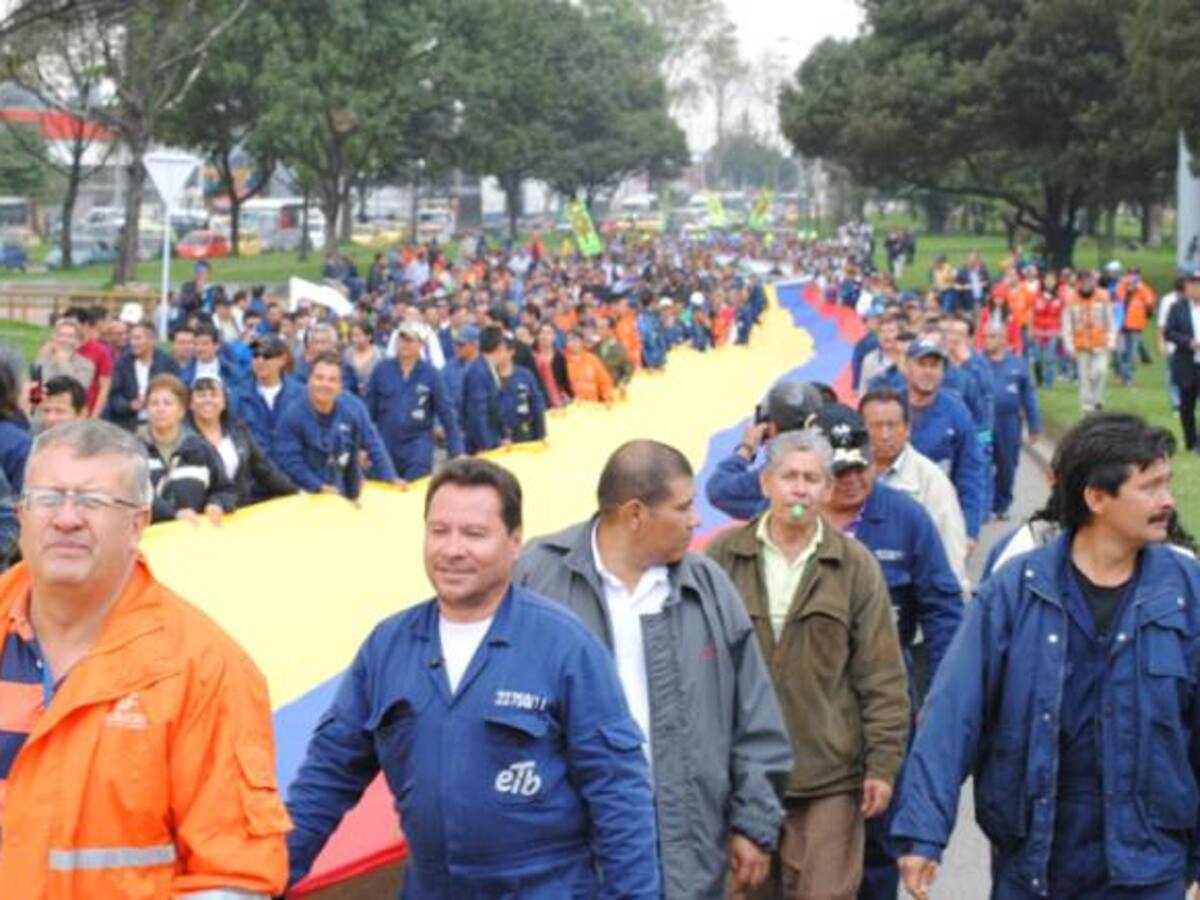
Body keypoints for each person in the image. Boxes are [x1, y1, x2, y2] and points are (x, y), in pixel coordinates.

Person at [285, 458, 662, 898]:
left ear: (515, 542)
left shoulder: (565, 647)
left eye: (475, 534)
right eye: (439, 531)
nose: (452, 549)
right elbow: (325, 779)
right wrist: (260, 881)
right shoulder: (387, 648)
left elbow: (619, 794)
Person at [892, 413, 1199, 900]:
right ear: (1096, 498)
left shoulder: (1186, 592)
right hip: (1035, 861)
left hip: (1151, 863)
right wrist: (923, 834)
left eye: (1167, 483)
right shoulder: (1015, 591)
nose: (1168, 501)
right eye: (1151, 486)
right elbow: (953, 715)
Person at [0, 420, 290, 895]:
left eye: (93, 502)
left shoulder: (205, 670)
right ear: (23, 512)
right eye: (50, 497)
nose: (67, 518)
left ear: (138, 523)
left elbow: (234, 877)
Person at [515, 440, 793, 900]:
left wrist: (754, 825)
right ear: (635, 514)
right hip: (571, 856)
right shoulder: (538, 578)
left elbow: (756, 718)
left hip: (689, 854)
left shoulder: (708, 588)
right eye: (683, 507)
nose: (696, 519)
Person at [705, 429, 910, 900]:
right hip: (741, 776)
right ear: (765, 484)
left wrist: (882, 765)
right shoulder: (720, 560)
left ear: (827, 489)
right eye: (789, 476)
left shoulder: (855, 565)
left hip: (828, 778)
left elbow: (881, 673)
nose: (800, 489)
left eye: (813, 478)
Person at [859, 388, 970, 592]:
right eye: (875, 426)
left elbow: (951, 552)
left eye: (892, 425)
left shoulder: (932, 481)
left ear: (907, 429)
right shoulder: (848, 478)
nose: (885, 435)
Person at [274, 353, 398, 501]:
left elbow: (373, 444)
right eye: (319, 378)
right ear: (309, 381)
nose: (325, 385)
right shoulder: (291, 415)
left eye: (332, 380)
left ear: (340, 386)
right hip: (304, 496)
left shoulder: (353, 409)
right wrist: (318, 486)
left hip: (341, 491)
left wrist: (390, 478)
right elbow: (290, 462)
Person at [904, 337, 987, 545]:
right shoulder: (891, 407)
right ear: (907, 366)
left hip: (943, 516)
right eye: (921, 364)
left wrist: (970, 529)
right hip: (898, 517)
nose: (928, 372)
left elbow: (970, 472)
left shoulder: (957, 411)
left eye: (935, 366)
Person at [706, 378, 825, 520]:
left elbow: (718, 491)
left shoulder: (775, 472)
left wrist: (746, 449)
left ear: (771, 427)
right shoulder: (827, 457)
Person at [366, 320, 464, 480]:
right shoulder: (381, 370)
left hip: (418, 447)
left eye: (410, 340)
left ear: (420, 344)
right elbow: (368, 411)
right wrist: (363, 447)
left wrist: (457, 451)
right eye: (401, 339)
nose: (404, 344)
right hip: (385, 445)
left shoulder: (431, 374)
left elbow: (446, 412)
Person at [141, 374, 237, 524]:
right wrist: (174, 514)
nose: (160, 409)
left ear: (181, 411)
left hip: (194, 540)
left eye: (167, 403)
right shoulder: (134, 452)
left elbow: (226, 490)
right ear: (147, 409)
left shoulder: (201, 449)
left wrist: (217, 504)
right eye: (154, 403)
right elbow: (134, 497)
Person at [188, 376, 297, 506]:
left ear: (224, 402)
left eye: (214, 395)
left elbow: (264, 469)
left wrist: (295, 492)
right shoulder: (184, 437)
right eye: (201, 395)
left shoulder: (239, 431)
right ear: (191, 403)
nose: (208, 400)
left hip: (240, 512)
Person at [982, 320, 1042, 520]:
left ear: (1003, 339)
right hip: (983, 423)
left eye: (992, 336)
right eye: (986, 336)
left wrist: (1034, 426)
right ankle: (985, 504)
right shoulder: (978, 363)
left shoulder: (1018, 364)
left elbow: (1029, 396)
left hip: (1008, 423)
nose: (987, 341)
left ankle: (1002, 503)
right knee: (982, 461)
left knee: (1007, 463)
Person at [236, 334, 304, 463]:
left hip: (293, 474)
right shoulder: (238, 396)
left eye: (267, 356)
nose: (260, 361)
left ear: (282, 359)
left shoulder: (301, 395)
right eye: (256, 355)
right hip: (254, 475)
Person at [105, 321, 180, 432]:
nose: (133, 343)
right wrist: (130, 405)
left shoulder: (168, 363)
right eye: (132, 339)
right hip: (129, 424)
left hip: (162, 423)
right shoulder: (122, 363)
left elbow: (178, 393)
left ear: (151, 340)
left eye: (138, 338)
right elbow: (114, 395)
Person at [1062, 268, 1117, 413]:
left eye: (1089, 281)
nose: (1086, 284)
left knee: (1101, 371)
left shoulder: (1103, 296)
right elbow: (1067, 324)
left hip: (1100, 343)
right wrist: (1069, 345)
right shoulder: (1071, 298)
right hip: (1081, 345)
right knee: (1084, 378)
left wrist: (1111, 341)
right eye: (1083, 281)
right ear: (1079, 283)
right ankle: (1087, 407)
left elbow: (1110, 321)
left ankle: (1098, 400)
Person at [1164, 265, 1200, 454]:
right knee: (1187, 405)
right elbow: (1169, 332)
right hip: (1186, 361)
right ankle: (1191, 440)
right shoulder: (1177, 307)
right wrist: (1188, 342)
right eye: (1192, 284)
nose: (1196, 288)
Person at [496, 331, 547, 444]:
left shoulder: (525, 376)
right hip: (499, 437)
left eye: (500, 350)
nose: (497, 355)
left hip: (523, 434)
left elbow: (536, 405)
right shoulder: (488, 377)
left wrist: (541, 435)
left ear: (511, 352)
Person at [461, 324, 505, 453]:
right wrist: (485, 446)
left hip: (494, 438)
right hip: (482, 445)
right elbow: (477, 413)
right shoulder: (478, 372)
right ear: (499, 347)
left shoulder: (489, 368)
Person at [180, 322, 241, 389]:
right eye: (196, 344)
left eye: (205, 344)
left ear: (216, 346)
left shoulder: (230, 370)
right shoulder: (185, 373)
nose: (199, 348)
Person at [563, 328, 616, 403]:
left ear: (582, 342)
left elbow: (605, 382)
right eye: (569, 340)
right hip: (571, 407)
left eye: (575, 339)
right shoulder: (562, 361)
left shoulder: (592, 360)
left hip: (592, 406)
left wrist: (607, 398)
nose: (573, 342)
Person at [343, 320, 382, 397]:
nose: (354, 339)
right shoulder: (346, 354)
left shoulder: (379, 355)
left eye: (358, 336)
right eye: (353, 336)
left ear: (369, 336)